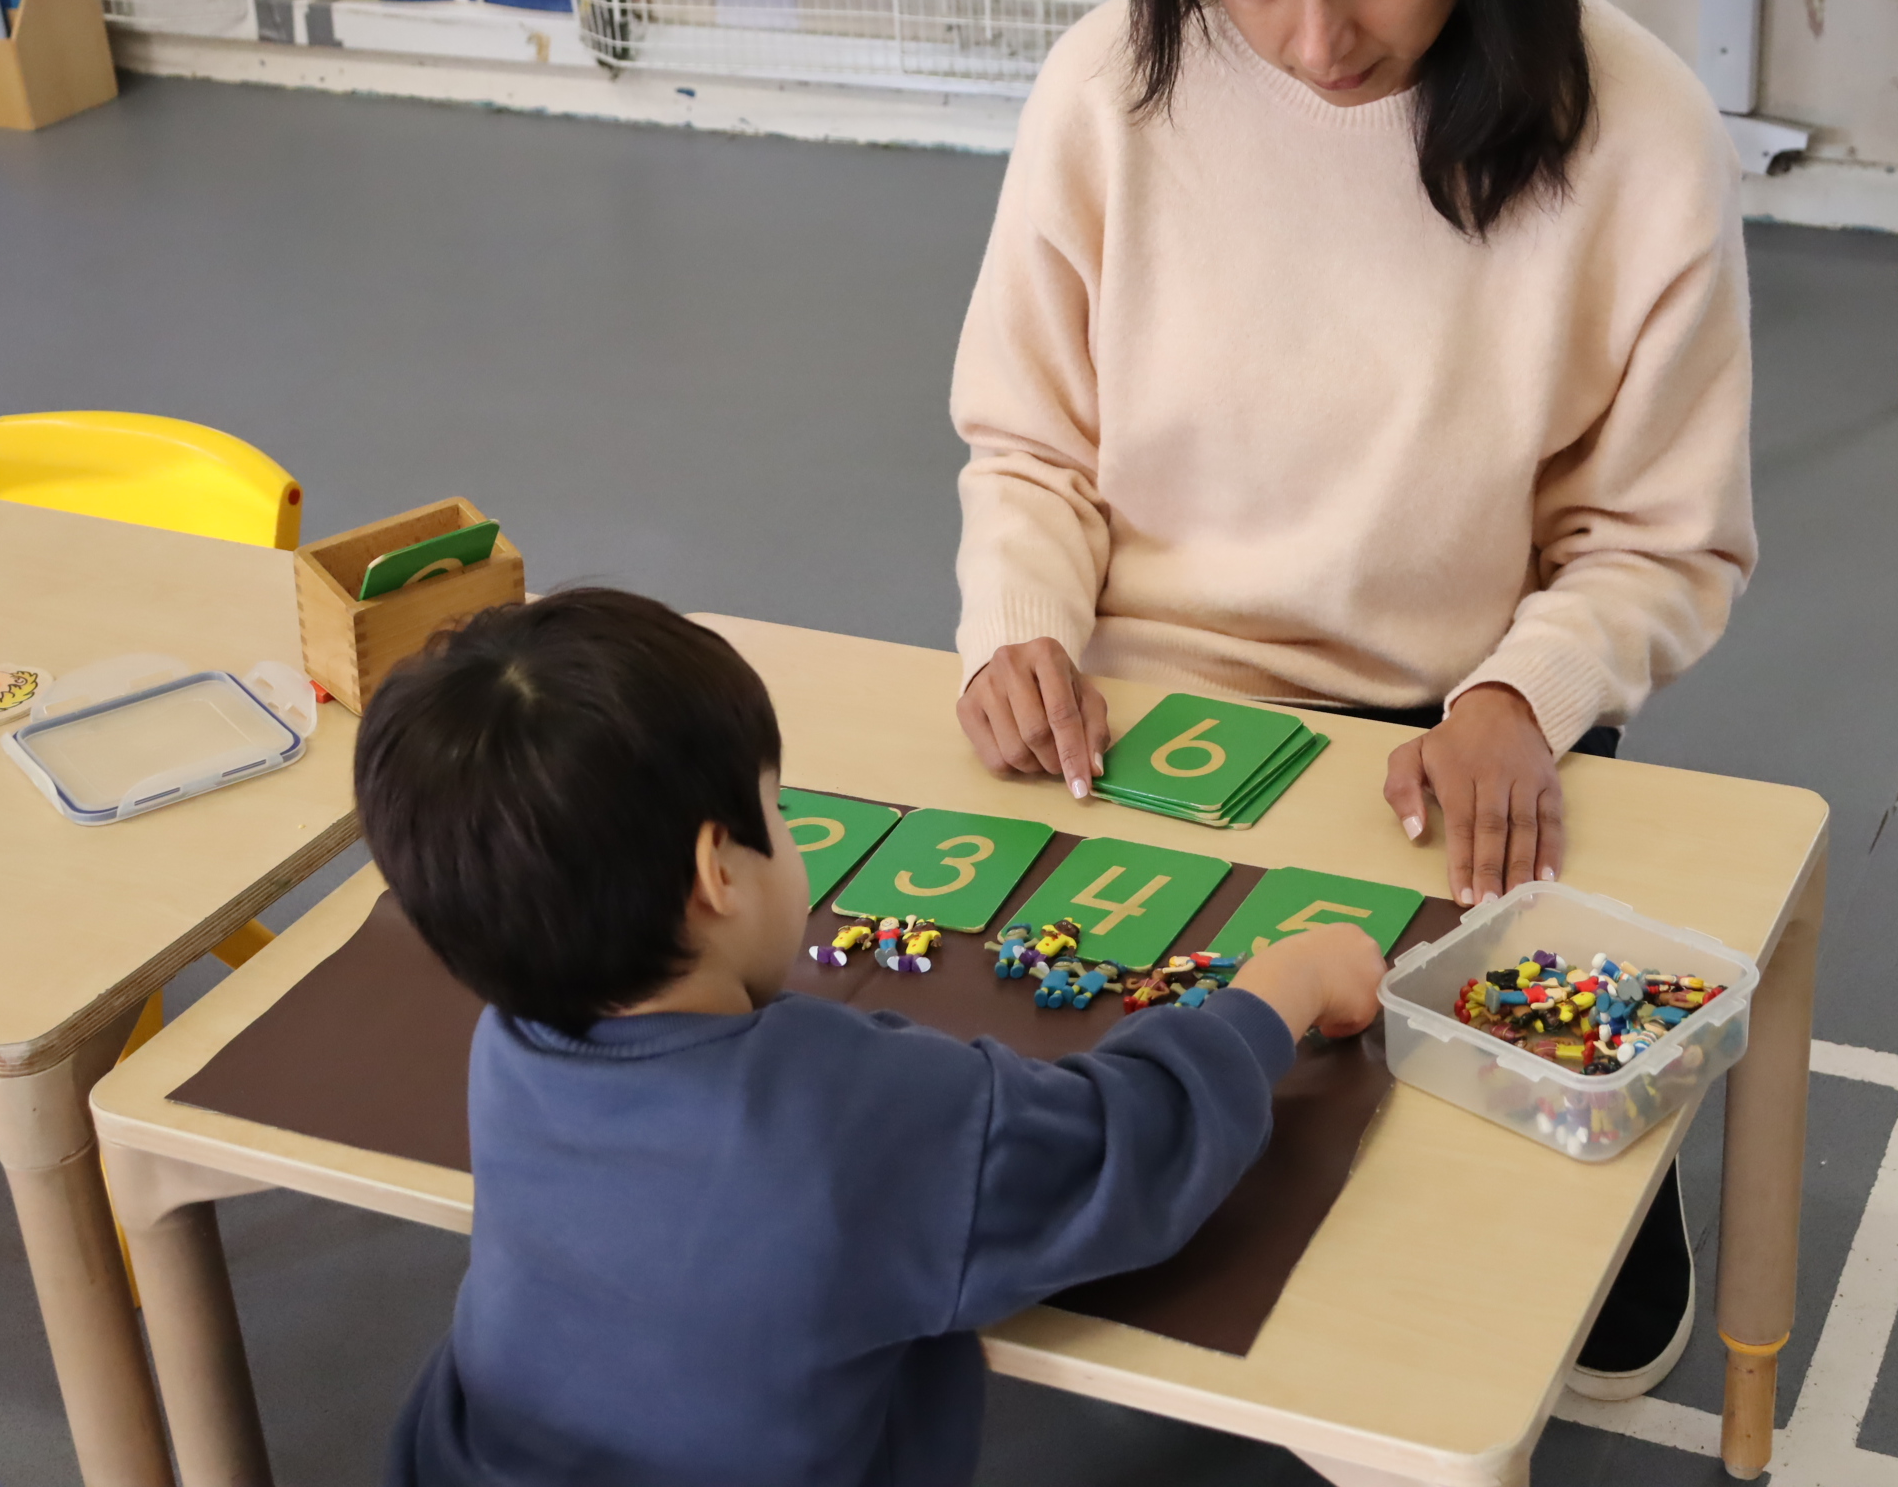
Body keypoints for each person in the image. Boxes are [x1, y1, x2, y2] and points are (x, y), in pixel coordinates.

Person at [948, 0, 1752, 1403]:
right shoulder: (1108, 82)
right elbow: (1031, 448)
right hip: (1139, 707)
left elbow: (1655, 536)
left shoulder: (1639, 124)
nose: (1319, 43)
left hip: (1455, 718)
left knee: (1489, 1288)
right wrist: (1018, 629)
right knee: (1063, 1147)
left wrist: (1528, 691)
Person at [366, 588, 1387, 1487]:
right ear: (717, 872)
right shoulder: (858, 1112)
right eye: (779, 807)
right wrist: (1279, 989)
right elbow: (1134, 1146)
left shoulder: (512, 1039)